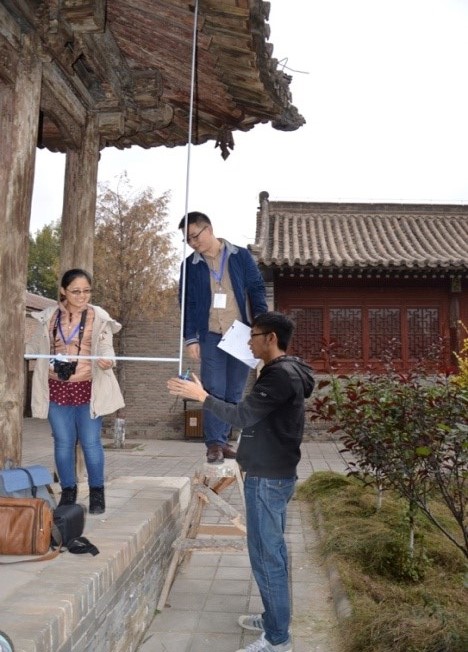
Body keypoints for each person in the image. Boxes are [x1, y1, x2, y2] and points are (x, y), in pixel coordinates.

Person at [168, 312, 315, 652]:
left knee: (267, 557)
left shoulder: (279, 376)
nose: (248, 342)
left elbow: (242, 415)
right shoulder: (285, 372)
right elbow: (255, 415)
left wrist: (201, 396)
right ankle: (274, 619)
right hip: (273, 473)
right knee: (270, 553)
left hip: (268, 478)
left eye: (254, 335)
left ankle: (278, 639)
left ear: (271, 338)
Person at [26, 268, 124, 514]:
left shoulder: (98, 316)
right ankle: (68, 492)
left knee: (91, 442)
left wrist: (108, 360)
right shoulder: (49, 316)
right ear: (63, 291)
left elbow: (106, 347)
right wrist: (27, 351)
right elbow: (35, 346)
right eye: (76, 291)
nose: (82, 296)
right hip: (56, 388)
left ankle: (97, 494)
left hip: (88, 389)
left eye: (87, 291)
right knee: (63, 443)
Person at [178, 211, 268, 464]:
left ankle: (225, 440)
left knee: (234, 391)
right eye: (188, 239)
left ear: (208, 229)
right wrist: (190, 338)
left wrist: (261, 325)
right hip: (210, 336)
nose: (193, 242)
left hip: (241, 334)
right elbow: (186, 303)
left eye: (195, 236)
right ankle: (215, 444)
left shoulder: (240, 256)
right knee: (213, 390)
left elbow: (257, 289)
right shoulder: (189, 266)